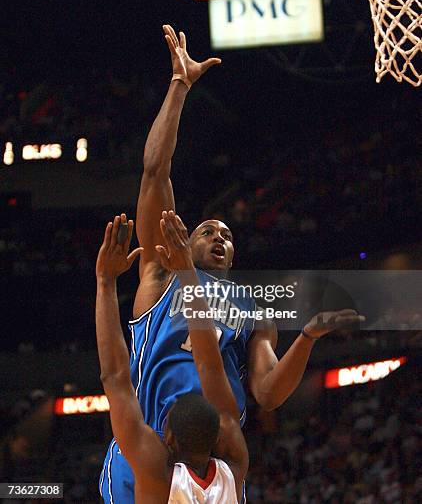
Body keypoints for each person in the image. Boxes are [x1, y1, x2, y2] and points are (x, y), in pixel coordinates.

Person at [100, 25, 365, 503]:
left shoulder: (252, 308)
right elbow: (155, 171)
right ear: (186, 239)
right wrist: (179, 86)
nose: (219, 237)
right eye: (208, 230)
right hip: (149, 441)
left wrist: (305, 339)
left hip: (216, 449)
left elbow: (266, 393)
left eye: (228, 235)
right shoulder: (161, 272)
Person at [96, 212, 248, 503]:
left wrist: (105, 281)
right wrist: (188, 274)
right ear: (220, 438)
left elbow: (114, 376)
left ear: (168, 440)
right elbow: (210, 365)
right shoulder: (234, 460)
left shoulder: (156, 475)